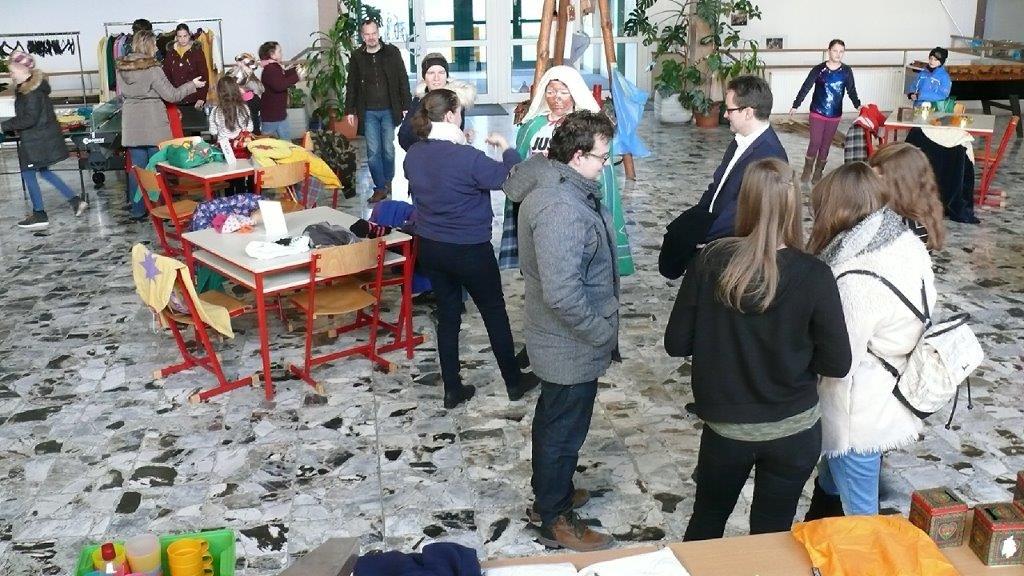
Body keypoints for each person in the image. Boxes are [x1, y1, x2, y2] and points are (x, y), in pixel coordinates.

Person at [664, 158, 852, 540]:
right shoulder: (815, 274)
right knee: (771, 534)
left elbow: (676, 343)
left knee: (706, 522)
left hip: (726, 428)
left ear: (744, 201)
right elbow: (837, 362)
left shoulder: (709, 261)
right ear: (794, 206)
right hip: (793, 430)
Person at [503, 110, 620, 552]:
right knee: (563, 432)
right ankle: (554, 516)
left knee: (556, 422)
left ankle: (551, 494)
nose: (605, 165)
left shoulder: (561, 186)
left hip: (565, 341)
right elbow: (563, 294)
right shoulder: (560, 210)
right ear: (576, 156)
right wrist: (600, 332)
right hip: (569, 344)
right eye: (602, 157)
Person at [804, 162, 935, 517]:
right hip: (885, 390)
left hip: (857, 413)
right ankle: (816, 534)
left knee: (862, 519)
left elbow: (839, 360)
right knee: (829, 485)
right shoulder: (903, 242)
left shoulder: (855, 278)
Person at [403, 89, 538, 410]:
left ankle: (452, 389)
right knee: (494, 312)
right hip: (470, 249)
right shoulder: (468, 158)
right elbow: (514, 180)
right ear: (451, 115)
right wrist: (507, 148)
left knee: (448, 315)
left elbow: (437, 172)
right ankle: (514, 382)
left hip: (431, 246)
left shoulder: (414, 154)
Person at [499, 65, 633, 277]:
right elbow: (522, 166)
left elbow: (601, 169)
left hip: (574, 201)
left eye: (563, 92)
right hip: (538, 200)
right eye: (551, 92)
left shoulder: (587, 128)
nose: (557, 98)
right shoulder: (532, 126)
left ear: (575, 93)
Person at [659, 75, 787, 280]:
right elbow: (717, 186)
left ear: (748, 112)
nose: (725, 115)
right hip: (712, 228)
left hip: (732, 250)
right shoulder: (739, 140)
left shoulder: (770, 156)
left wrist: (704, 239)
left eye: (730, 110)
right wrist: (696, 219)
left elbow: (744, 212)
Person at [116, 30, 205, 220]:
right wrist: (192, 85)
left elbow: (122, 95)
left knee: (137, 171)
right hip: (154, 124)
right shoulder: (153, 69)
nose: (157, 47)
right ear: (148, 45)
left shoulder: (122, 68)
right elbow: (172, 95)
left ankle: (138, 210)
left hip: (131, 124)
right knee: (158, 169)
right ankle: (161, 210)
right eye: (155, 44)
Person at [1, 53, 88, 229]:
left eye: (12, 71)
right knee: (44, 172)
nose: (11, 75)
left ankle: (40, 214)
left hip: (36, 141)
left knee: (28, 173)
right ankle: (75, 201)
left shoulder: (32, 92)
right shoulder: (28, 88)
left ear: (23, 69)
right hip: (38, 139)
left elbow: (29, 119)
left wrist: (4, 126)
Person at [344, 19, 411, 203]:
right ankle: (380, 188)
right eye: (367, 34)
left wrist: (406, 105)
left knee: (388, 149)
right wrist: (349, 110)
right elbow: (352, 84)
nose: (371, 37)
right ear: (362, 36)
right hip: (368, 112)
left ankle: (387, 181)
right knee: (373, 151)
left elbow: (402, 79)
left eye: (373, 33)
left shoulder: (392, 52)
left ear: (378, 33)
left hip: (389, 109)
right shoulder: (357, 57)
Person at [790, 39, 861, 185]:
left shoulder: (846, 71)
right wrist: (796, 104)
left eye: (841, 51)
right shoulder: (819, 69)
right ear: (829, 51)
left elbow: (851, 90)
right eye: (835, 51)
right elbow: (806, 87)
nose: (838, 54)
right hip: (817, 111)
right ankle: (807, 170)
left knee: (826, 145)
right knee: (815, 142)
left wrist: (858, 105)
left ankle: (818, 171)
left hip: (835, 114)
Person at [868, 143, 946, 251]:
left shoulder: (911, 229)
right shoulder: (921, 211)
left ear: (902, 183)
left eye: (881, 173)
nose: (871, 179)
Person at [397, 52, 476, 151]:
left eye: (441, 72)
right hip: (422, 155)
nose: (436, 78)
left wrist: (463, 136)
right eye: (431, 73)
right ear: (424, 77)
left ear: (446, 75)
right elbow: (404, 136)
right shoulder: (419, 98)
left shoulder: (455, 99)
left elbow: (456, 135)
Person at [208, 76, 255, 195]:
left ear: (219, 92)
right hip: (241, 148)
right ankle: (244, 197)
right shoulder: (244, 108)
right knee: (242, 176)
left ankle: (229, 199)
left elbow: (213, 131)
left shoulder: (216, 111)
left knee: (229, 180)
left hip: (225, 150)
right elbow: (250, 128)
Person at [258, 41, 301, 141]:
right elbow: (280, 85)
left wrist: (295, 70)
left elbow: (283, 75)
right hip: (272, 116)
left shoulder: (274, 67)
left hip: (279, 114)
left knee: (286, 142)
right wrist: (297, 76)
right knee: (267, 144)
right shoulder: (270, 69)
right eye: (279, 51)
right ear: (272, 55)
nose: (282, 54)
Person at [162, 23, 209, 108]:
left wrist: (202, 97)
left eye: (185, 36)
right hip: (175, 98)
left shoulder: (197, 52)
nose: (182, 39)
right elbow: (166, 75)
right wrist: (168, 96)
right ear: (176, 37)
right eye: (179, 36)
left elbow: (204, 75)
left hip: (194, 98)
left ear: (189, 35)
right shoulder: (170, 53)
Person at [231, 52, 265, 134]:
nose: (238, 66)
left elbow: (260, 91)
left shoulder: (251, 80)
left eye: (240, 64)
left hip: (251, 109)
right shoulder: (239, 76)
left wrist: (243, 92)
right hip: (244, 110)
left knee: (252, 129)